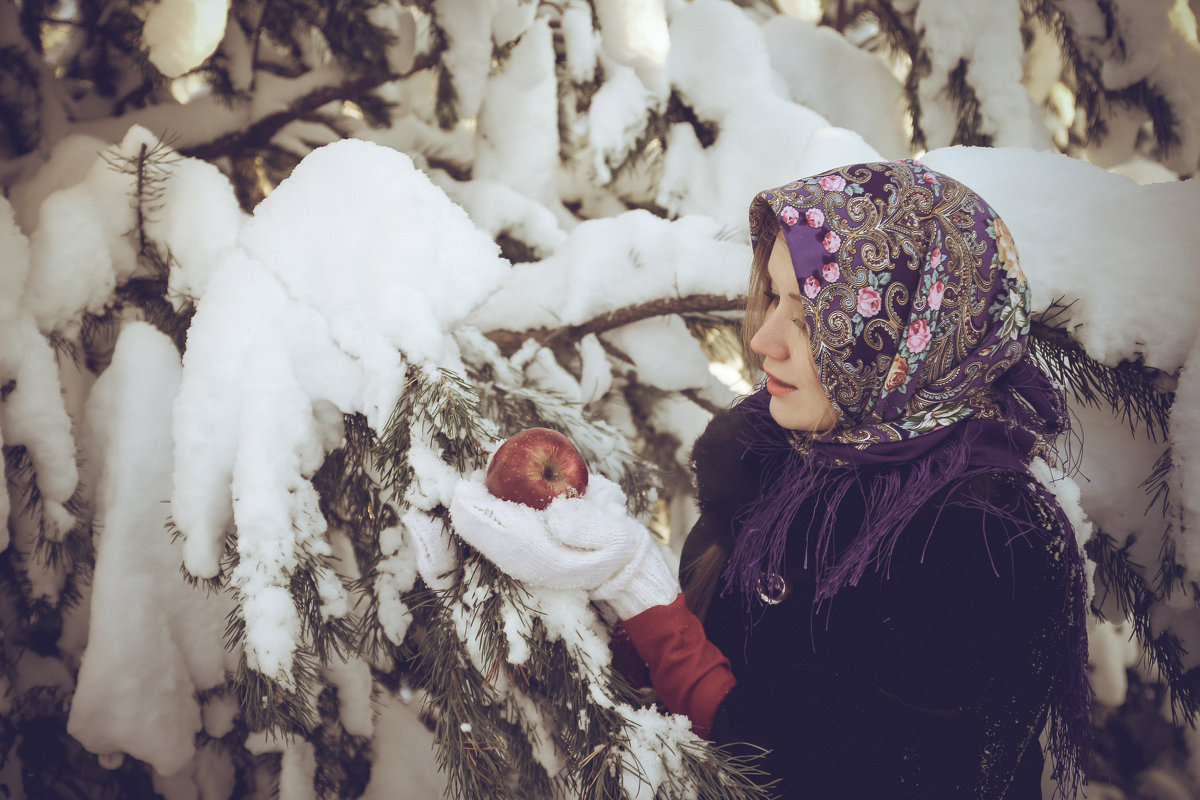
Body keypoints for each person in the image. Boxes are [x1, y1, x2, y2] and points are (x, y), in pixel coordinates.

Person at [447, 160, 1091, 799]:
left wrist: (644, 595)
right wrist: (582, 608)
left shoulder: (989, 536)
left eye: (811, 321)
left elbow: (817, 771)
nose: (764, 340)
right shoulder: (782, 460)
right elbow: (717, 663)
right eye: (776, 298)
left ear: (907, 335)